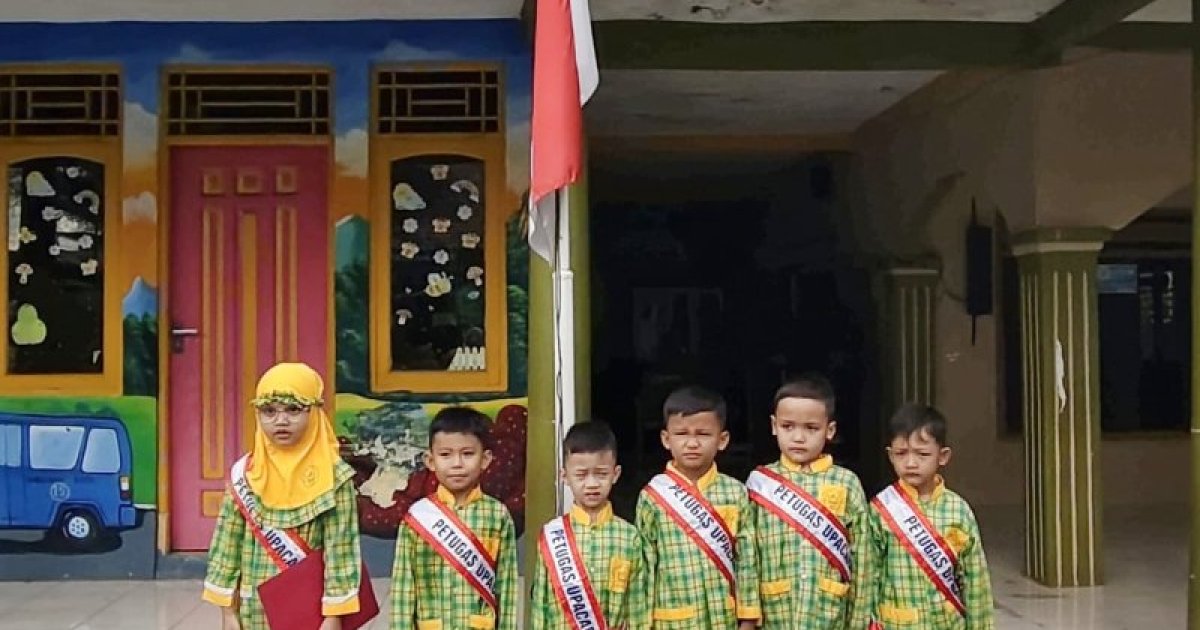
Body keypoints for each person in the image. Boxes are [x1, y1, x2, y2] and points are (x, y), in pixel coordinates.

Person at [202, 362, 362, 630]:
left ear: (315, 412)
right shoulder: (245, 474)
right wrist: (228, 613)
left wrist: (333, 617)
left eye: (293, 409)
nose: (281, 420)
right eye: (269, 411)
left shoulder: (335, 478)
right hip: (253, 612)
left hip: (311, 613)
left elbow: (341, 552)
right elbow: (226, 547)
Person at [746, 374, 871, 629]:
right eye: (788, 426)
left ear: (830, 430)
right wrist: (748, 616)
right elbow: (747, 556)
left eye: (811, 428)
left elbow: (863, 557)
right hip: (775, 615)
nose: (798, 437)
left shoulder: (846, 483)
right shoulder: (760, 483)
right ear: (774, 426)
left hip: (829, 615)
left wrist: (858, 621)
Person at [636, 385, 760, 629]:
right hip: (672, 620)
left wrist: (748, 618)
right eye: (682, 434)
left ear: (722, 440)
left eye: (703, 434)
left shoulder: (736, 493)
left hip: (723, 619)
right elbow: (645, 568)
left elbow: (747, 559)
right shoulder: (653, 496)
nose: (692, 443)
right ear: (666, 439)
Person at [390, 406, 518, 630]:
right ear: (430, 461)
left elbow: (507, 586)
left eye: (467, 454)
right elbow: (403, 588)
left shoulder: (498, 515)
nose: (457, 463)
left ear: (485, 459)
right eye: (445, 455)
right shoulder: (417, 518)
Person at [868, 404, 995, 630]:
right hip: (897, 623)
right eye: (901, 454)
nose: (911, 463)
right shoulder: (881, 509)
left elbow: (975, 579)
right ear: (890, 456)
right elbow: (869, 575)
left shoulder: (959, 510)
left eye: (923, 454)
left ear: (943, 456)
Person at [529, 421, 647, 629]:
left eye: (601, 474)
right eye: (581, 475)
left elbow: (638, 610)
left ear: (615, 474)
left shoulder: (630, 537)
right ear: (564, 477)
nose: (592, 484)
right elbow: (540, 605)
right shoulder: (552, 535)